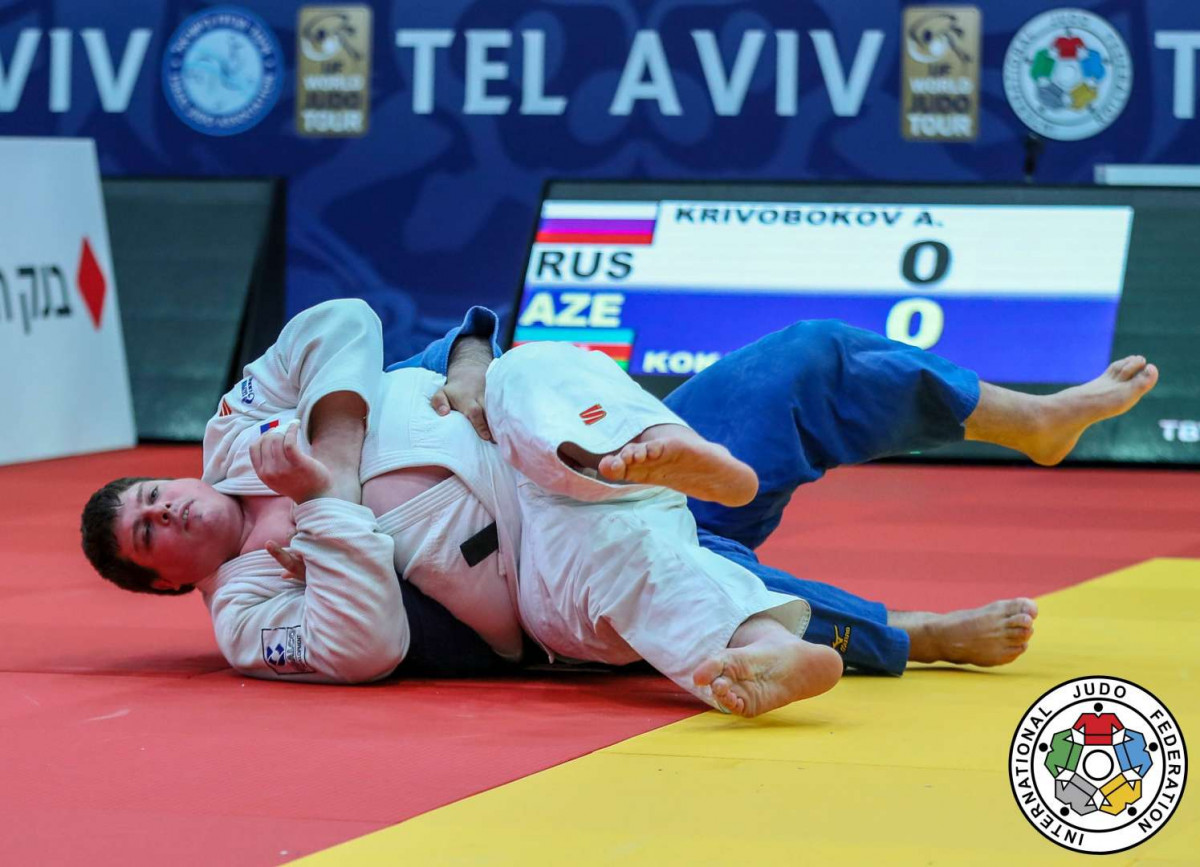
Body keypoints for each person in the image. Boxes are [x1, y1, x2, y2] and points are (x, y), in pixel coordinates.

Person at [81, 300, 1158, 715]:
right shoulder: (248, 614)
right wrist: (325, 506)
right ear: (166, 582)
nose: (168, 510)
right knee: (686, 582)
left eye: (154, 494)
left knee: (810, 357)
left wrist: (378, 419)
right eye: (149, 532)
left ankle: (1029, 417)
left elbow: (346, 324)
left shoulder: (241, 429)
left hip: (593, 444)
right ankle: (911, 634)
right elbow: (360, 648)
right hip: (553, 564)